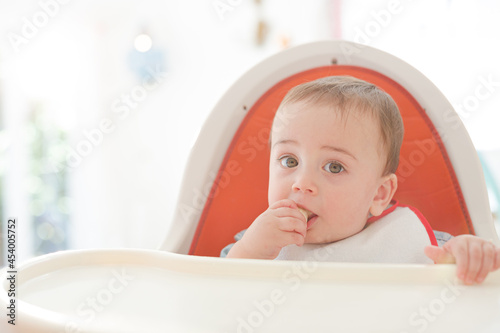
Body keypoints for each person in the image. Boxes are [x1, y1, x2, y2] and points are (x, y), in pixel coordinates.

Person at [223, 75, 500, 285]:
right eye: (290, 161)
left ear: (379, 194)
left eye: (333, 167)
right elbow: (217, 295)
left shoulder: (413, 242)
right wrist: (248, 251)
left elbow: (462, 284)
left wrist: (469, 255)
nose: (301, 182)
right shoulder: (258, 245)